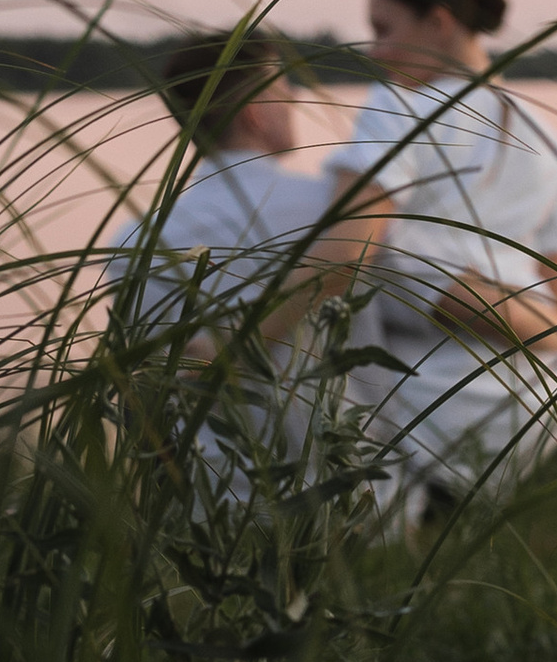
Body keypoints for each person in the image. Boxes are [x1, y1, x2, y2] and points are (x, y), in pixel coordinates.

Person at [332, 0, 557, 526]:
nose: (375, 52)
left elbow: (344, 254)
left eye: (384, 29)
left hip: (429, 410)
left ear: (439, 22)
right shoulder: (545, 131)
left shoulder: (398, 107)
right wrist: (547, 334)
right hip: (539, 406)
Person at [106, 28, 381, 504]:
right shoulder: (333, 213)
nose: (295, 102)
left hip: (210, 500)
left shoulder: (130, 242)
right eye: (284, 91)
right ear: (254, 113)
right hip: (344, 490)